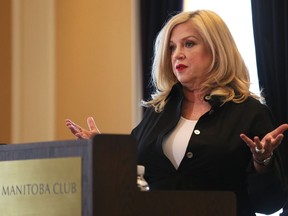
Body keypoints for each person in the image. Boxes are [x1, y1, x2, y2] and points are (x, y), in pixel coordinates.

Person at [65, 10, 288, 216]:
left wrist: (263, 161)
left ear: (217, 50)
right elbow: (131, 178)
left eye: (189, 44)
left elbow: (269, 204)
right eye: (172, 47)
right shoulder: (157, 112)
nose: (177, 54)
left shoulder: (249, 112)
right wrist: (104, 150)